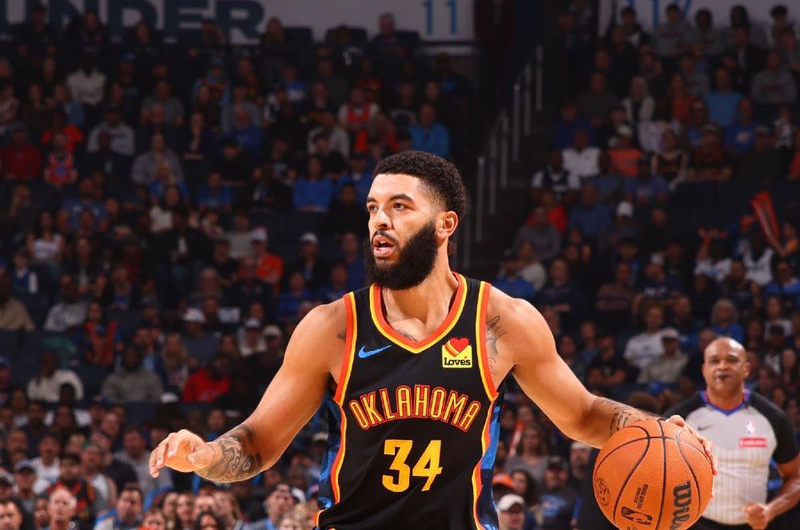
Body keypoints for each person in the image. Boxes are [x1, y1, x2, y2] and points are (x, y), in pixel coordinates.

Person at [150, 151, 714, 528]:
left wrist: (655, 430)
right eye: (373, 208)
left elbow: (586, 416)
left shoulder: (502, 321)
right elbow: (257, 445)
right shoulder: (333, 328)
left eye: (399, 207)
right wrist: (203, 455)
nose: (380, 221)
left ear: (445, 225)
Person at [667, 338, 800, 529]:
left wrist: (770, 510)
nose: (722, 366)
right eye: (714, 361)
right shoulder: (679, 419)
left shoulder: (774, 418)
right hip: (695, 524)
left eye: (731, 360)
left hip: (753, 525)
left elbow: (795, 477)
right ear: (704, 370)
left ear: (746, 368)